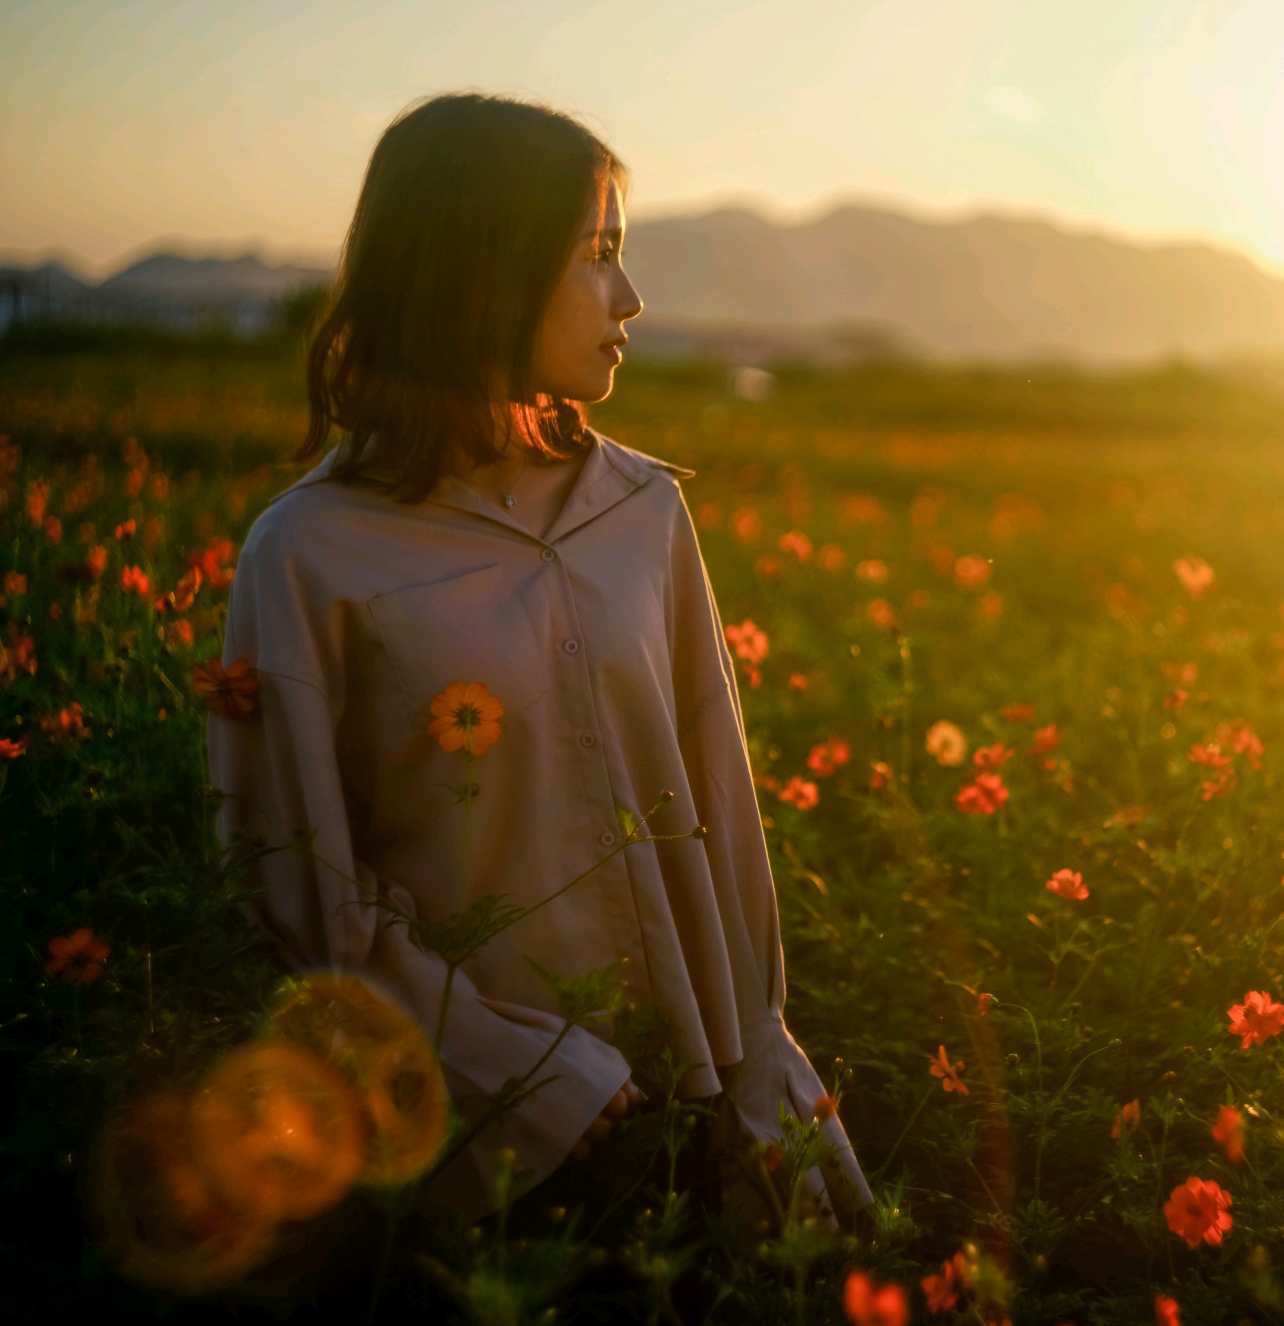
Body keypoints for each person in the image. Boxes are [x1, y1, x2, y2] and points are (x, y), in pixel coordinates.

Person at [206, 92, 872, 1227]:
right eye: (597, 256)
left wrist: (757, 1052)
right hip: (485, 1146)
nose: (629, 298)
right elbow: (296, 881)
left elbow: (722, 812)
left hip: (699, 1101)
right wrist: (515, 1067)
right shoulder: (309, 553)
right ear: (481, 270)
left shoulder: (643, 511)